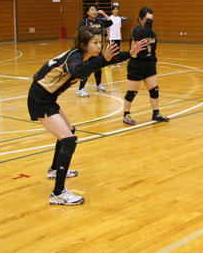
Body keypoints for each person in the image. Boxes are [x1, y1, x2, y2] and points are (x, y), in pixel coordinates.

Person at [28, 25, 146, 205]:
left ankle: (54, 169)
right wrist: (103, 59)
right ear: (83, 45)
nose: (99, 46)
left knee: (69, 132)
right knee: (68, 140)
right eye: (95, 42)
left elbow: (106, 61)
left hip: (47, 98)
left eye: (100, 42)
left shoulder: (84, 56)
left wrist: (130, 53)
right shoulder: (75, 57)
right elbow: (78, 71)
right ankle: (58, 193)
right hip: (40, 99)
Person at [122, 7, 170, 126]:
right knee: (132, 92)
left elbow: (153, 50)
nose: (150, 22)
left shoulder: (152, 33)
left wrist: (153, 62)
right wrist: (147, 26)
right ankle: (126, 114)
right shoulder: (136, 31)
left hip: (149, 65)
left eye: (151, 20)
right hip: (136, 65)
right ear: (140, 19)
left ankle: (156, 113)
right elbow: (141, 35)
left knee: (154, 91)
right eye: (147, 20)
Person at [75, 5, 113, 97]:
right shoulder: (85, 22)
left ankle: (98, 85)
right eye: (92, 10)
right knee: (88, 68)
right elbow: (79, 32)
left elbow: (110, 22)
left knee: (99, 67)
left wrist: (103, 13)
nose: (94, 11)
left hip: (98, 48)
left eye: (95, 10)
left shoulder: (99, 22)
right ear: (87, 12)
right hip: (89, 49)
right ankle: (80, 89)